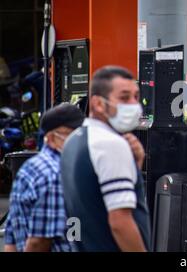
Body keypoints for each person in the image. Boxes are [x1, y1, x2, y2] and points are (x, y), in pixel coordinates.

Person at [60, 65, 150, 252]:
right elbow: (120, 221)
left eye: (136, 96)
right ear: (98, 104)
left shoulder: (74, 140)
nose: (134, 104)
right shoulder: (110, 144)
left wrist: (135, 165)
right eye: (124, 97)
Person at [4, 103, 85, 252]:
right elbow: (38, 242)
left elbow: (12, 237)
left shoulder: (29, 168)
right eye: (72, 134)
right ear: (52, 137)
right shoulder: (56, 174)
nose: (80, 139)